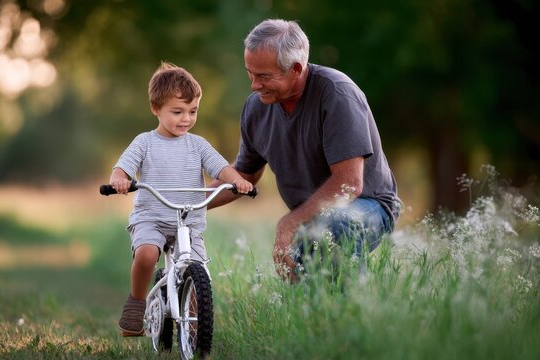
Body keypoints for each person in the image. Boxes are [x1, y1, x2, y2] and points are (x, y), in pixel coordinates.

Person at [208, 19, 402, 282]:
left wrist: (290, 223)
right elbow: (244, 174)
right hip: (313, 217)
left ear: (296, 69)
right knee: (305, 287)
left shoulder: (337, 94)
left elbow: (349, 184)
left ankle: (352, 314)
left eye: (264, 76)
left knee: (334, 228)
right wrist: (187, 206)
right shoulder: (256, 107)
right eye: (250, 73)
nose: (254, 85)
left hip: (368, 206)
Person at [109, 62, 253, 336]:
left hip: (189, 222)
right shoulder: (145, 142)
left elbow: (221, 168)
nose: (186, 118)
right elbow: (123, 168)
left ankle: (196, 331)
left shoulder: (198, 145)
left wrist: (237, 180)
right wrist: (120, 179)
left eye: (193, 111)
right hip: (151, 218)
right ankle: (136, 304)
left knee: (199, 274)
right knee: (148, 254)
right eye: (177, 112)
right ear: (155, 108)